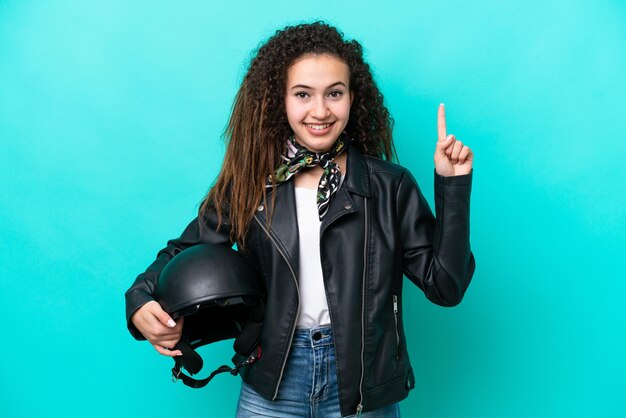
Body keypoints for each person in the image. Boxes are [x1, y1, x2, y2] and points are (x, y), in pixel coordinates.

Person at [125, 21, 475, 418]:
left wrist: (453, 187)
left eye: (335, 93)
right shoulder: (250, 183)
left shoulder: (389, 186)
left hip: (361, 386)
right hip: (274, 377)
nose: (320, 110)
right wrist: (139, 301)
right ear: (282, 101)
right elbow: (183, 251)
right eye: (303, 94)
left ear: (352, 98)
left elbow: (446, 287)